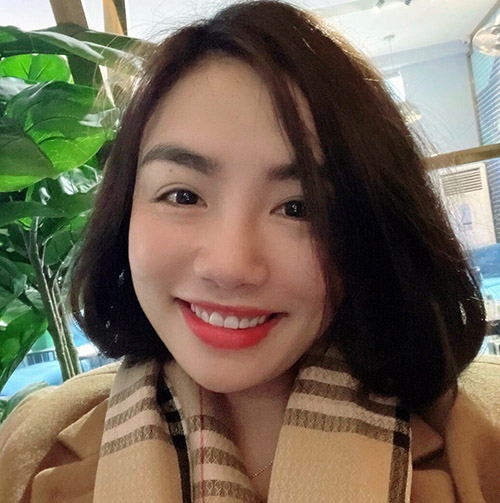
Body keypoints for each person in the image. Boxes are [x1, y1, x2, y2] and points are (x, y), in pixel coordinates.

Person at [1, 1, 499, 502]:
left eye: (299, 208)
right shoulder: (31, 453)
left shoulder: (477, 460)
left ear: (371, 230)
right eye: (183, 196)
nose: (229, 266)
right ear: (124, 208)